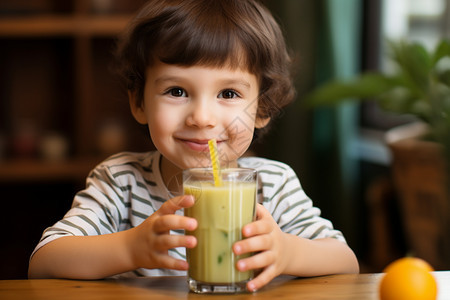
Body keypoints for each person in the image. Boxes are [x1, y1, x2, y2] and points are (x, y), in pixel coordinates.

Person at [28, 0, 359, 292]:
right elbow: (44, 261)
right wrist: (129, 248)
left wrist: (287, 251)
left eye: (228, 94)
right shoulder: (121, 181)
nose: (201, 118)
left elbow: (345, 262)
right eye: (176, 91)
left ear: (263, 109)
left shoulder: (273, 185)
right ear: (139, 102)